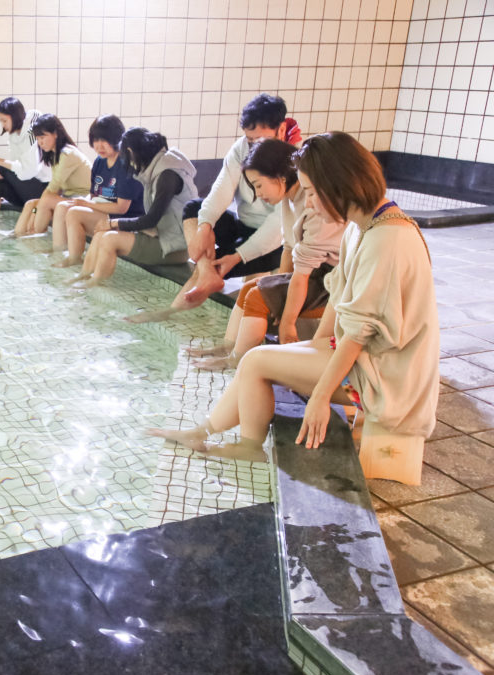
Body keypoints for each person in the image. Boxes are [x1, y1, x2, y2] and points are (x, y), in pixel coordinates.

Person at [150, 132, 439, 469]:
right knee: (258, 359)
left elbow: (360, 331)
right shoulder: (362, 226)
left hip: (385, 377)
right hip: (365, 358)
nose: (309, 203)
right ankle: (202, 432)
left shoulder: (387, 240)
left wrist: (319, 397)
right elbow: (339, 295)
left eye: (313, 192)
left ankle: (248, 447)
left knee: (256, 361)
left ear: (340, 183)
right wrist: (313, 349)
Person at [126, 93, 294, 323]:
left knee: (217, 266)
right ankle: (205, 273)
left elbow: (277, 228)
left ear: (281, 130)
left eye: (260, 140)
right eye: (250, 140)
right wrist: (205, 227)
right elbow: (220, 191)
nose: (253, 146)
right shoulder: (241, 148)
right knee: (194, 208)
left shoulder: (293, 165)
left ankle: (171, 313)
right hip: (244, 225)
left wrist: (236, 257)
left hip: (275, 244)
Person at [191, 138, 345, 369]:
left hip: (331, 279)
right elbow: (289, 249)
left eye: (259, 185)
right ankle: (228, 348)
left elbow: (302, 273)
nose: (257, 193)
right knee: (249, 288)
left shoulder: (313, 204)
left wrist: (287, 320)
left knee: (258, 297)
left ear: (280, 177)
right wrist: (277, 285)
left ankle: (236, 361)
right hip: (311, 272)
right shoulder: (289, 200)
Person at [67, 127, 197, 288]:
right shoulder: (157, 167)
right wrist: (112, 225)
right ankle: (84, 275)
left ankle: (95, 284)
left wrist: (114, 223)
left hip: (174, 247)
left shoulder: (167, 175)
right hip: (161, 236)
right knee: (101, 233)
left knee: (109, 239)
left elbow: (151, 219)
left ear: (131, 151)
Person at [49, 114, 145, 267]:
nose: (99, 146)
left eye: (104, 140)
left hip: (123, 219)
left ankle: (75, 258)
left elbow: (121, 208)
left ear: (117, 139)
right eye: (96, 140)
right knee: (62, 206)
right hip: (102, 209)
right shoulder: (100, 162)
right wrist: (84, 201)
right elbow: (94, 194)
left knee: (74, 213)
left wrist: (86, 204)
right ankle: (59, 252)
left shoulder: (126, 164)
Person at [13, 113, 91, 237]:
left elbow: (52, 189)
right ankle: (18, 235)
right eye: (37, 138)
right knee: (30, 204)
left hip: (83, 200)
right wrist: (35, 209)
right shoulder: (55, 155)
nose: (40, 142)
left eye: (42, 137)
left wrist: (36, 212)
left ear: (55, 133)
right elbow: (55, 189)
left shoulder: (68, 154)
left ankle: (33, 235)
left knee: (45, 200)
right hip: (69, 198)